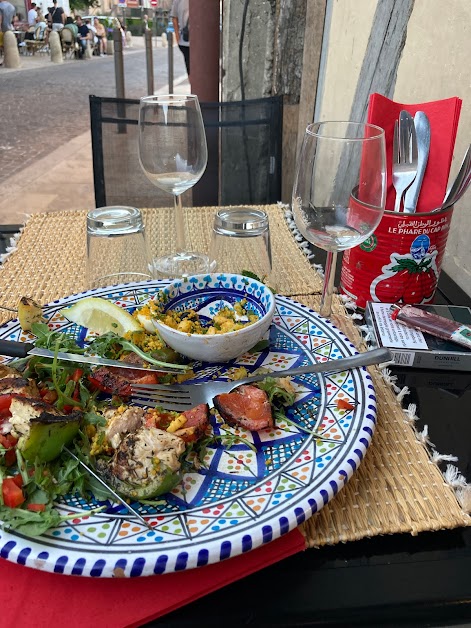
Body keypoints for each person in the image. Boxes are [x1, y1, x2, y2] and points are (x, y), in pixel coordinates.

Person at [170, 0, 189, 78]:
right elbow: (174, 19)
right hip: (187, 41)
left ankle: (193, 88)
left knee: (190, 69)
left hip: (184, 40)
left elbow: (174, 18)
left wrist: (178, 38)